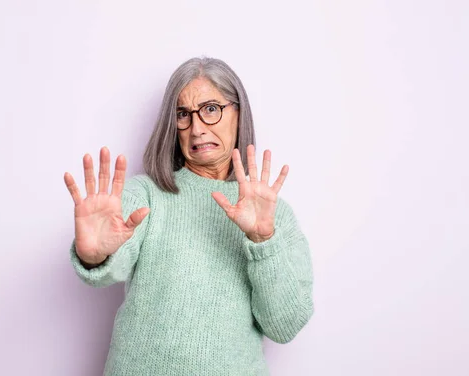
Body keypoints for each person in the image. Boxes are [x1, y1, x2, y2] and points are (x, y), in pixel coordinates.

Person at [63, 57, 314, 375]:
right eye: (183, 114)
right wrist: (96, 258)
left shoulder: (274, 215)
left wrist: (263, 241)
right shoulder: (146, 194)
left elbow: (284, 325)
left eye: (211, 109)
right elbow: (117, 257)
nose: (196, 128)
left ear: (238, 112)